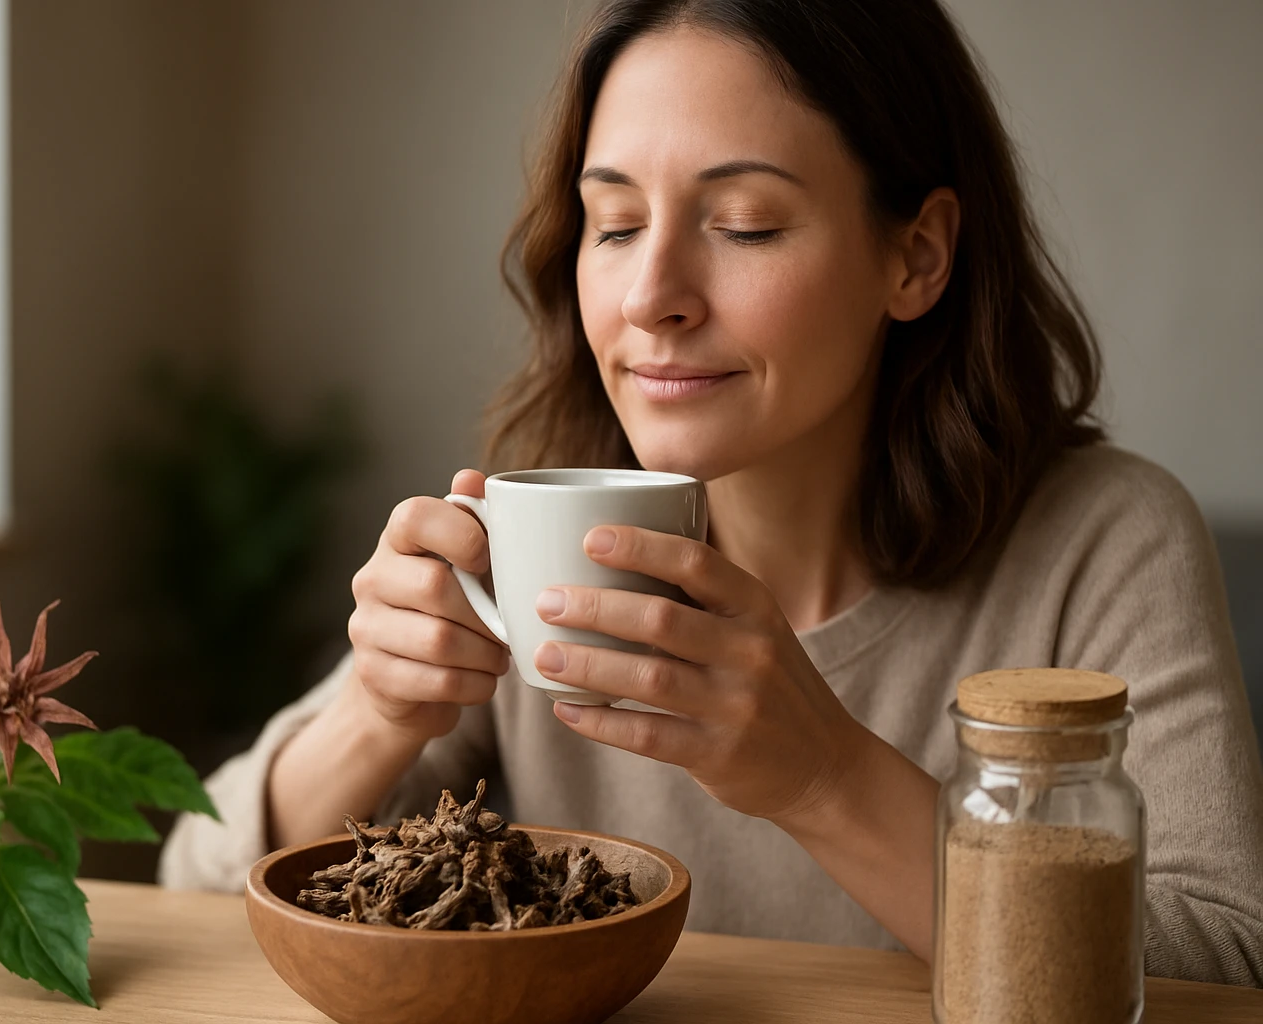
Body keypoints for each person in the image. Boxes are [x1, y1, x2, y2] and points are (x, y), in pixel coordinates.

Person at [158, 0, 1263, 985]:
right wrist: (378, 714)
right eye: (614, 224)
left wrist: (826, 779)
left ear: (917, 256)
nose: (651, 297)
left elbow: (1225, 967)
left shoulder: (1103, 542)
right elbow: (197, 884)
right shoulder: (539, 541)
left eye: (744, 224)